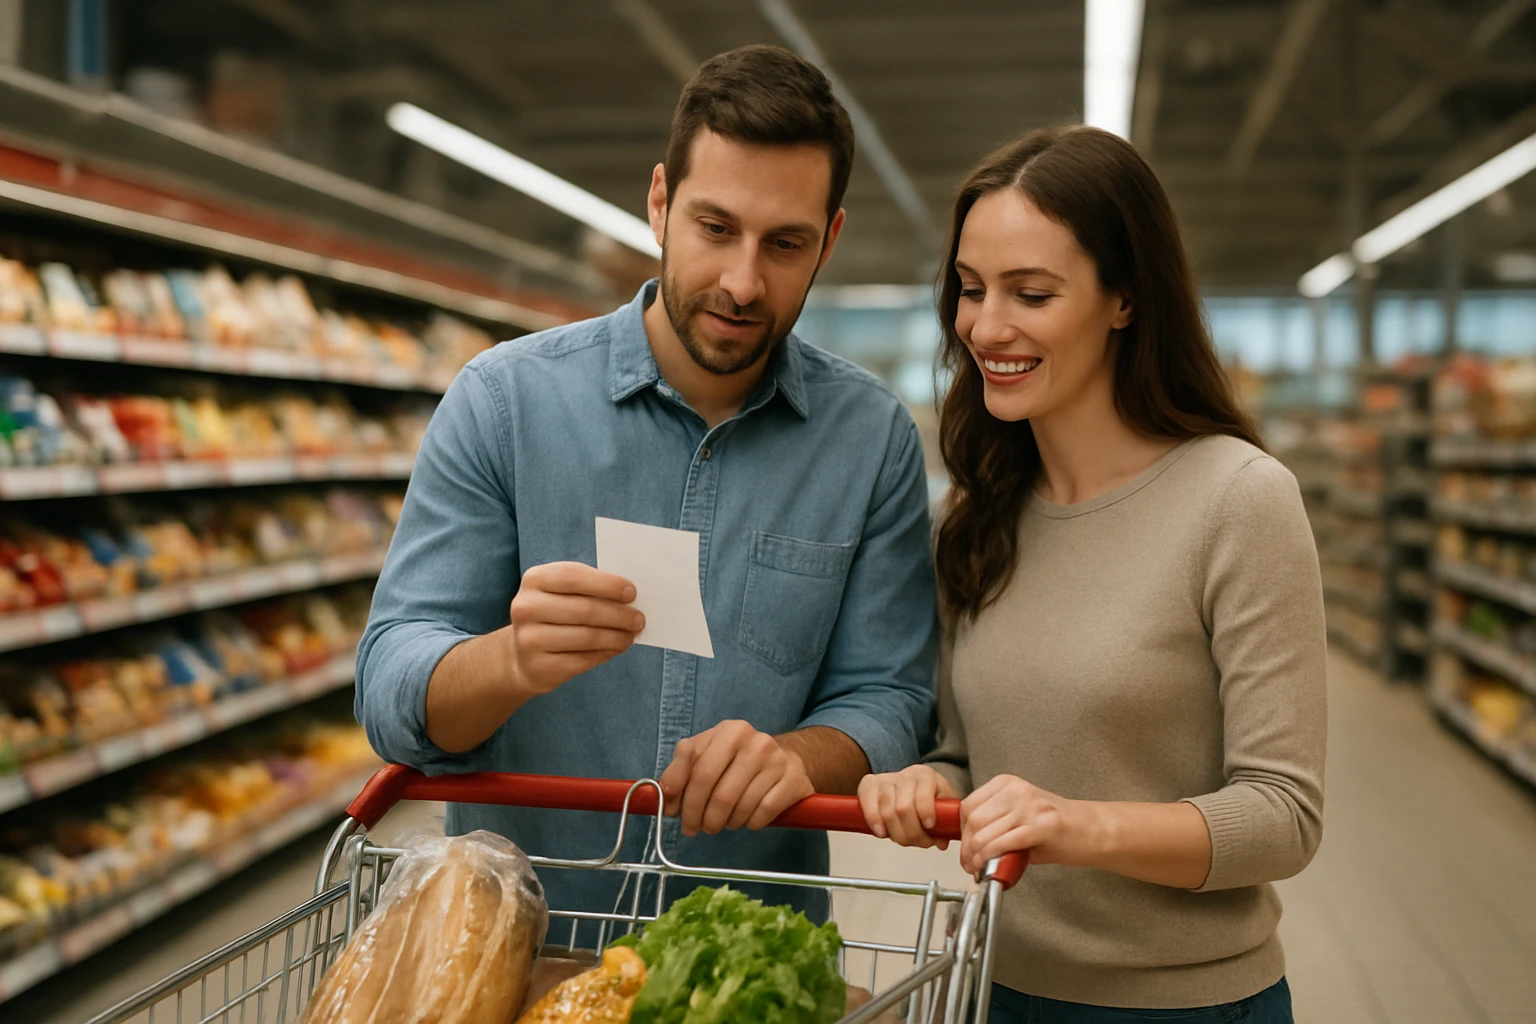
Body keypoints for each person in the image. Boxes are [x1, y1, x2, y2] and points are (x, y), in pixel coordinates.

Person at [356, 44, 937, 929]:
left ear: (831, 239)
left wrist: (799, 758)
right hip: (523, 940)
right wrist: (506, 662)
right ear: (660, 203)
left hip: (746, 958)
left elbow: (891, 695)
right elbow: (390, 688)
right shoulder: (505, 402)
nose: (743, 282)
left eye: (785, 244)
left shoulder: (871, 442)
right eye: (715, 228)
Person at [858, 126, 1325, 1023]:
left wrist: (1073, 826)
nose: (986, 327)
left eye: (1032, 293)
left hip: (1185, 1005)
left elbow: (1283, 815)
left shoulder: (1238, 500)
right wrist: (929, 785)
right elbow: (968, 754)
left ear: (1124, 299)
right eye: (969, 289)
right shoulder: (979, 515)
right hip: (990, 983)